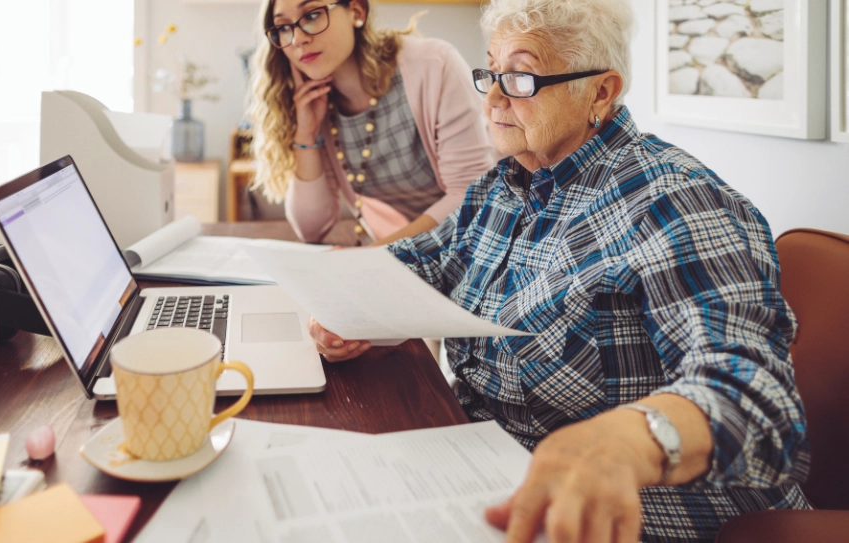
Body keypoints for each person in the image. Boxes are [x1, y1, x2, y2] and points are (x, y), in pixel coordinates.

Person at [307, 0, 811, 540]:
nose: (494, 99)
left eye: (521, 77)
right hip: (486, 474)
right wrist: (350, 297)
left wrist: (629, 441)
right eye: (492, 72)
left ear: (600, 91)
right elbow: (428, 260)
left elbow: (759, 397)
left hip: (645, 519)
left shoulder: (677, 202)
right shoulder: (504, 185)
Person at [248, 0, 494, 245]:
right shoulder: (319, 106)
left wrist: (375, 254)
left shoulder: (434, 64)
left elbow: (471, 195)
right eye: (282, 27)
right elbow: (311, 229)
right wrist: (306, 135)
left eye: (312, 15)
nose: (297, 39)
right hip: (400, 261)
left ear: (356, 11)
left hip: (472, 247)